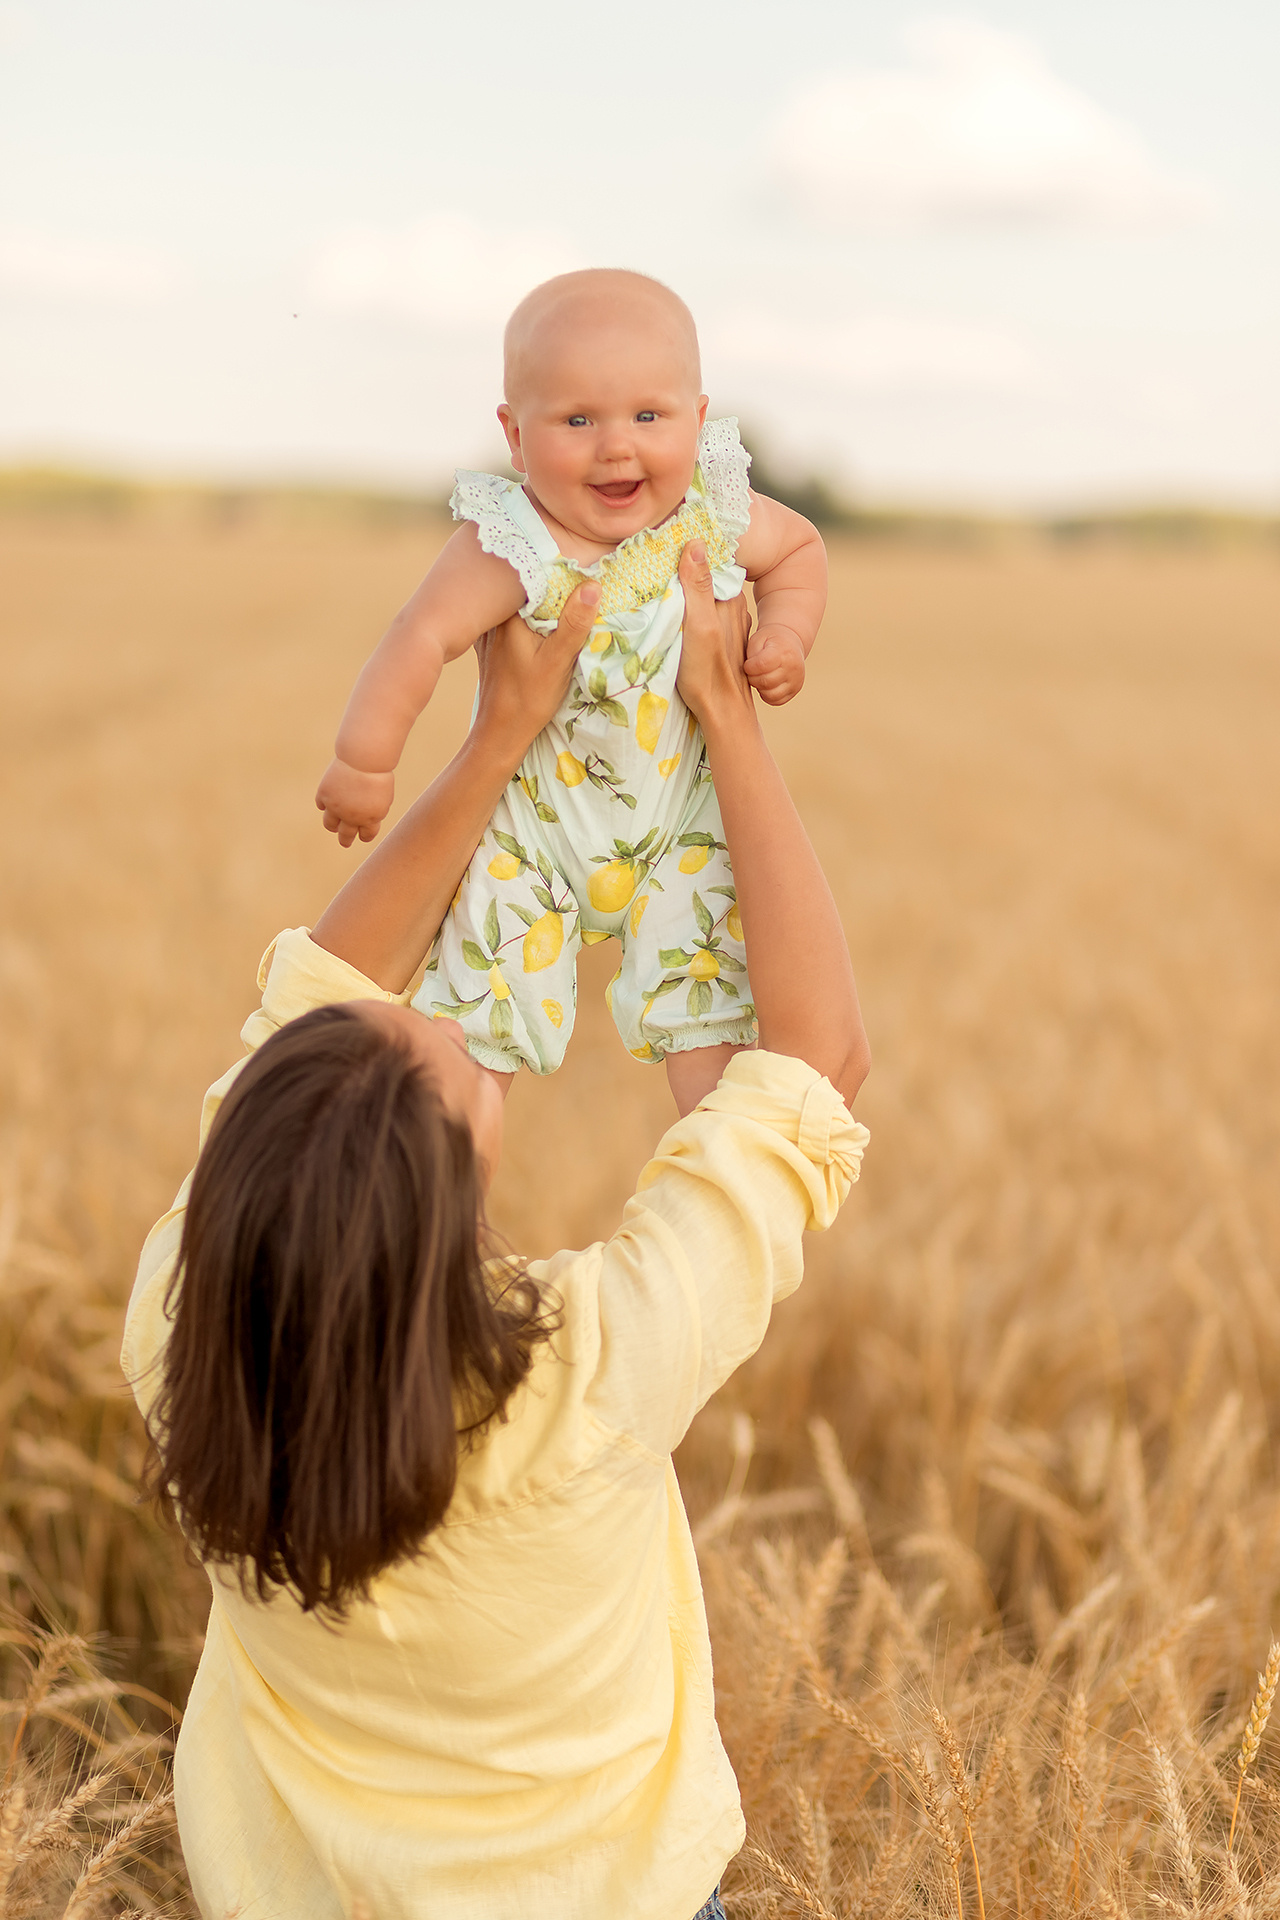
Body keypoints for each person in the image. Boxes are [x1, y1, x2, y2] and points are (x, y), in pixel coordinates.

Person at [123, 545, 870, 1920]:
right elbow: (815, 1062)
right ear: (461, 1192)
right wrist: (728, 724)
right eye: (457, 1065)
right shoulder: (588, 1376)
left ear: (237, 1165)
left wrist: (502, 734)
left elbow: (317, 1008)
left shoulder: (178, 1321)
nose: (453, 1022)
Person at [314, 269, 828, 1116]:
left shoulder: (714, 513)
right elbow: (421, 636)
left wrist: (784, 636)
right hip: (530, 840)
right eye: (578, 419)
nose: (615, 446)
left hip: (679, 834)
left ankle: (716, 1171)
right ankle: (454, 1206)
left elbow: (800, 552)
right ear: (515, 436)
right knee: (470, 1039)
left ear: (698, 423)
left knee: (717, 1030)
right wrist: (363, 760)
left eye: (648, 417)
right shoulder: (512, 543)